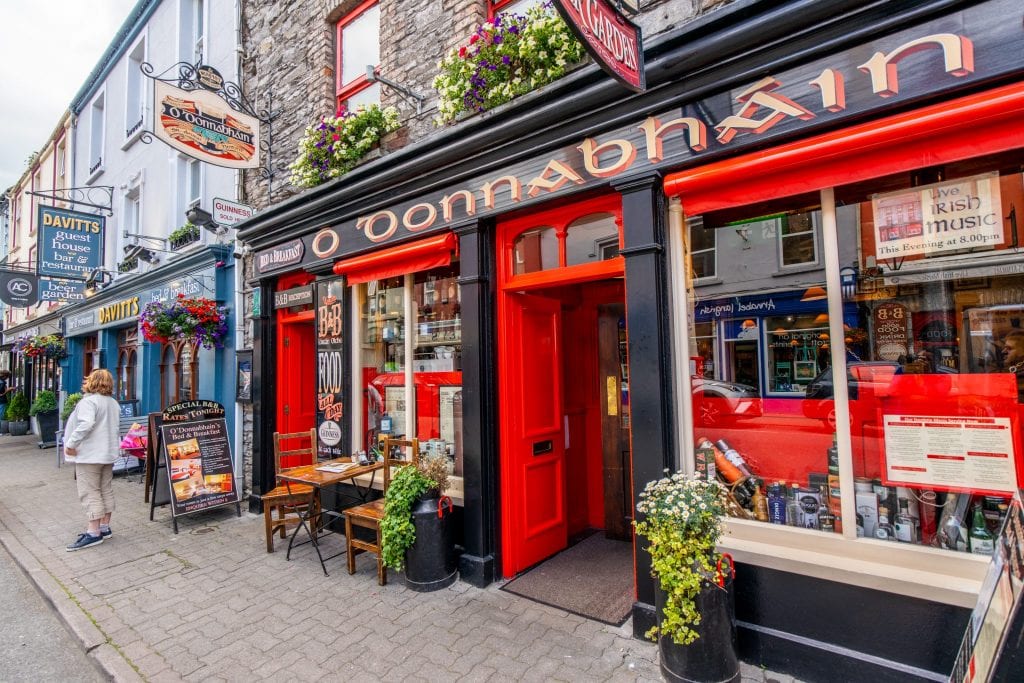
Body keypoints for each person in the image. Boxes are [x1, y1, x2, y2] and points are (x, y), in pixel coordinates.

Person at [63, 369, 121, 551]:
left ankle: (93, 532)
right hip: (108, 453)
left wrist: (71, 444)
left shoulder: (89, 402)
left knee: (90, 491)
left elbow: (86, 424)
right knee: (105, 489)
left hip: (90, 454)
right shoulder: (113, 403)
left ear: (91, 382)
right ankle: (105, 527)